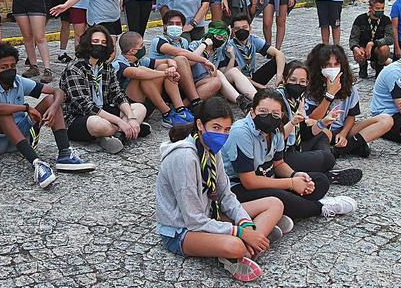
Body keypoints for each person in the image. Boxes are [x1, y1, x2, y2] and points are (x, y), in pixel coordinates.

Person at [155, 97, 287, 282]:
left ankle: (253, 236)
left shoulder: (211, 149)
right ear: (200, 125)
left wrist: (244, 223)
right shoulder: (184, 157)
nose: (222, 134)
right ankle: (247, 246)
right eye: (216, 127)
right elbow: (193, 220)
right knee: (236, 246)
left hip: (209, 213)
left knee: (275, 204)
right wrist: (239, 232)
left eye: (226, 130)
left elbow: (226, 194)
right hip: (181, 230)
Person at [221, 89, 358, 221]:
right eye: (263, 111)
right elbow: (249, 182)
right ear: (252, 112)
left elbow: (279, 164)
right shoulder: (241, 132)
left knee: (320, 181)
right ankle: (320, 207)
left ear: (281, 115)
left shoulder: (276, 129)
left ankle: (282, 211)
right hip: (237, 186)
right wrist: (291, 183)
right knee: (279, 197)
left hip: (266, 177)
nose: (269, 117)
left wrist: (295, 175)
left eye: (275, 113)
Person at [0, 42, 94, 189]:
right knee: (3, 113)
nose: (10, 70)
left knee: (51, 100)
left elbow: (58, 91)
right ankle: (37, 164)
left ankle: (64, 154)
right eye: (4, 68)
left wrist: (53, 108)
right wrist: (26, 107)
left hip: (18, 137)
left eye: (12, 66)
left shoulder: (18, 81)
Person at [59, 26, 150, 154]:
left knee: (140, 108)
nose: (99, 45)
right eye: (95, 41)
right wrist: (120, 121)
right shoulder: (75, 68)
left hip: (104, 109)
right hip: (77, 117)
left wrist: (131, 118)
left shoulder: (106, 66)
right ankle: (126, 130)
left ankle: (117, 136)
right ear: (87, 42)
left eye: (103, 42)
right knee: (99, 125)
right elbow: (85, 106)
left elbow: (117, 94)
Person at [277, 62, 362, 186]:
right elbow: (275, 139)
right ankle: (325, 176)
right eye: (293, 80)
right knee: (327, 159)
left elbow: (304, 132)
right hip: (279, 154)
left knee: (322, 136)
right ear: (284, 80)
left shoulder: (297, 99)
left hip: (295, 145)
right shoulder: (278, 100)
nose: (297, 85)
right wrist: (292, 122)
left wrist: (323, 122)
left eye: (302, 82)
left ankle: (314, 169)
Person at [305, 44, 393, 158]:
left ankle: (341, 149)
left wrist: (343, 133)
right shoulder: (310, 86)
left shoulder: (349, 86)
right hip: (320, 129)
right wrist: (329, 95)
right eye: (328, 65)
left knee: (386, 120)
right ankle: (354, 146)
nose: (332, 69)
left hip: (341, 129)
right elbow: (313, 118)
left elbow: (351, 116)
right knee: (313, 125)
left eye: (336, 64)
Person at [148, 10, 222, 117]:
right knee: (180, 58)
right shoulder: (159, 40)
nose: (175, 26)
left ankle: (183, 106)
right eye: (171, 24)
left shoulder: (184, 41)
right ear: (164, 26)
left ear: (183, 27)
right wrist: (204, 59)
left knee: (216, 81)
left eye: (178, 24)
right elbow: (180, 53)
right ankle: (196, 102)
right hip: (165, 82)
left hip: (181, 84)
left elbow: (189, 63)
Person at [114, 31, 191, 128]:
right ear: (132, 51)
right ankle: (166, 113)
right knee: (144, 73)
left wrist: (172, 68)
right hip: (131, 108)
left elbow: (169, 60)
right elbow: (138, 73)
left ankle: (180, 109)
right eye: (141, 45)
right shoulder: (118, 64)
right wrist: (165, 74)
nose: (144, 48)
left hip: (146, 102)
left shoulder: (139, 60)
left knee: (163, 66)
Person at [189, 21, 256, 110]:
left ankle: (257, 99)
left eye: (224, 38)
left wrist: (232, 57)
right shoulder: (195, 44)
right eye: (219, 37)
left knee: (233, 71)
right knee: (219, 73)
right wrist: (204, 45)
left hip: (214, 81)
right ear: (210, 34)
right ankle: (241, 102)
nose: (221, 40)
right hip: (197, 83)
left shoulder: (218, 49)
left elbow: (225, 73)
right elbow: (190, 62)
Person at [228, 14, 286, 89]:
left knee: (278, 62)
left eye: (245, 27)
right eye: (237, 28)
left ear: (250, 28)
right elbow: (234, 75)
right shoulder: (229, 46)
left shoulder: (253, 40)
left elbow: (279, 54)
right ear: (233, 31)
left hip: (252, 78)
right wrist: (264, 88)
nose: (241, 30)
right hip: (237, 83)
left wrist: (279, 76)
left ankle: (284, 88)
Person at [349, 0, 394, 79]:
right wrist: (356, 48)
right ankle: (363, 67)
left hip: (377, 47)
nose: (380, 11)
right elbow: (353, 39)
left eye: (382, 8)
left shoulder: (386, 20)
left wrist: (373, 43)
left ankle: (379, 69)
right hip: (363, 48)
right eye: (377, 8)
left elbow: (390, 38)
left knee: (385, 49)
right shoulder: (360, 19)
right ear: (370, 8)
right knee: (358, 52)